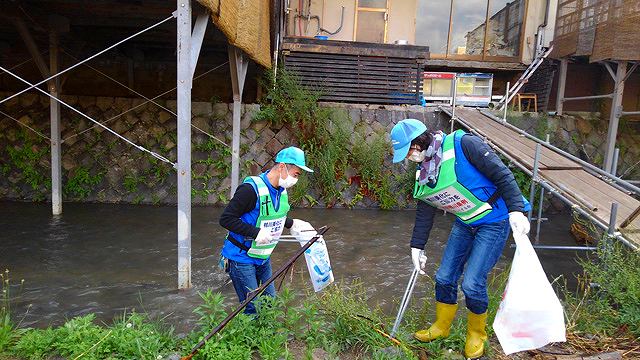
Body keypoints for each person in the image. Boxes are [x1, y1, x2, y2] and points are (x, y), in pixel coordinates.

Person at [389, 119, 531, 359]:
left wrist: (516, 209)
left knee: (472, 282)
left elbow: (503, 175)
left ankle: (477, 333)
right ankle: (441, 327)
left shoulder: (464, 144)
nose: (408, 158)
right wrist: (417, 246)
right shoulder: (425, 168)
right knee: (444, 276)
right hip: (465, 221)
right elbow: (426, 207)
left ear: (419, 142)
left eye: (409, 152)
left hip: (494, 221)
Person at [219, 146, 315, 314]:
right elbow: (226, 219)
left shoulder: (281, 191)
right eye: (296, 174)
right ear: (282, 167)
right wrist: (255, 233)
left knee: (270, 303)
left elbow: (270, 214)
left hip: (262, 257)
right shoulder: (250, 190)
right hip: (241, 257)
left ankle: (265, 338)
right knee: (252, 308)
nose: (296, 179)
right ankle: (248, 339)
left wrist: (291, 224)